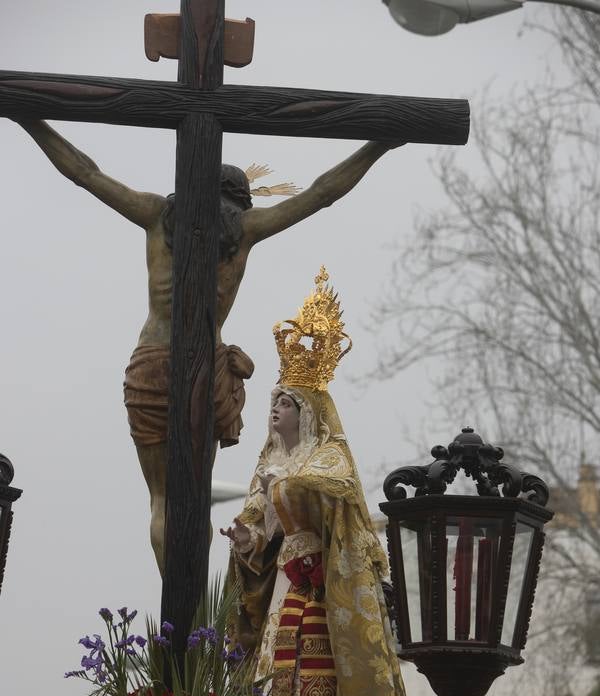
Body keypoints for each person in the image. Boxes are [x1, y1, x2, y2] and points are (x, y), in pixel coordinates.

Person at [15, 120, 403, 573]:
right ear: (240, 201)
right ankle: (192, 613)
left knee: (161, 498)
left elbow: (84, 171)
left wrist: (30, 120)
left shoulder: (156, 214)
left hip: (153, 363)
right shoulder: (247, 228)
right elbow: (320, 193)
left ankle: (175, 619)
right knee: (194, 500)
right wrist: (379, 144)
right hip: (205, 369)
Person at [221, 268, 415, 696]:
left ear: (304, 412)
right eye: (273, 402)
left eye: (284, 403)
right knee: (276, 649)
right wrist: (248, 540)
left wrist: (289, 484)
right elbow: (257, 519)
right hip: (286, 572)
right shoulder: (270, 459)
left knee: (316, 653)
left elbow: (337, 489)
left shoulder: (325, 454)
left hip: (325, 578)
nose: (275, 410)